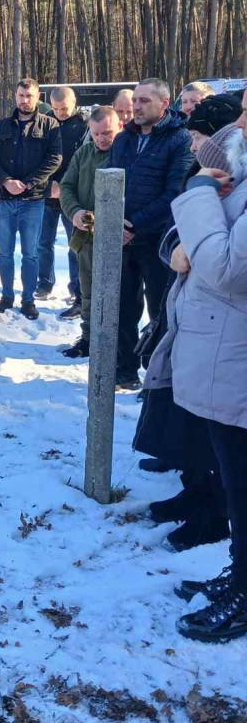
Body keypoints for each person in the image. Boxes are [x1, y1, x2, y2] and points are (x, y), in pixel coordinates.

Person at [143, 87, 247, 644]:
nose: (241, 123)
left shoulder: (221, 174)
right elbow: (190, 248)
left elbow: (227, 266)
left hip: (236, 351)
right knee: (234, 475)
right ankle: (241, 572)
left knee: (242, 481)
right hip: (222, 349)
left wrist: (197, 192)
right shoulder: (238, 168)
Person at [107, 78, 192, 390]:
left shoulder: (179, 140)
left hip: (157, 242)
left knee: (159, 310)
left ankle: (156, 378)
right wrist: (117, 223)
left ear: (164, 104)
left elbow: (174, 193)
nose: (136, 107)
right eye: (135, 101)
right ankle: (124, 370)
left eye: (144, 101)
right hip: (121, 239)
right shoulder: (124, 139)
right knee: (123, 307)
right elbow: (110, 183)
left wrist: (135, 225)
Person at [0, 78, 62, 319]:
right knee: (4, 253)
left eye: (29, 96)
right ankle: (6, 296)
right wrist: (6, 181)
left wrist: (28, 183)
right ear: (15, 96)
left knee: (31, 253)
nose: (24, 100)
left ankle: (28, 300)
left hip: (34, 200)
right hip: (4, 200)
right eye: (21, 95)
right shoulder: (0, 127)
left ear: (38, 97)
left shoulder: (50, 126)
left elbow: (54, 159)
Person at [58, 106, 123, 358]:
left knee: (119, 294)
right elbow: (66, 186)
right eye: (95, 134)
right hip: (87, 237)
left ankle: (119, 346)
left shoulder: (126, 153)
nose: (101, 139)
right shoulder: (83, 153)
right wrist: (74, 212)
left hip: (120, 238)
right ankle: (87, 338)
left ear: (118, 126)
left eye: (106, 133)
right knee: (87, 291)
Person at [36, 86, 87, 316]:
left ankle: (76, 288)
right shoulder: (44, 121)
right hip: (46, 192)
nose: (60, 113)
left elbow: (82, 161)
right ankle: (44, 283)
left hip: (71, 194)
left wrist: (63, 186)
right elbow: (36, 157)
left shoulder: (83, 124)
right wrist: (48, 185)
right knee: (43, 242)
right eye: (55, 108)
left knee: (74, 244)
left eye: (64, 108)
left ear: (74, 102)